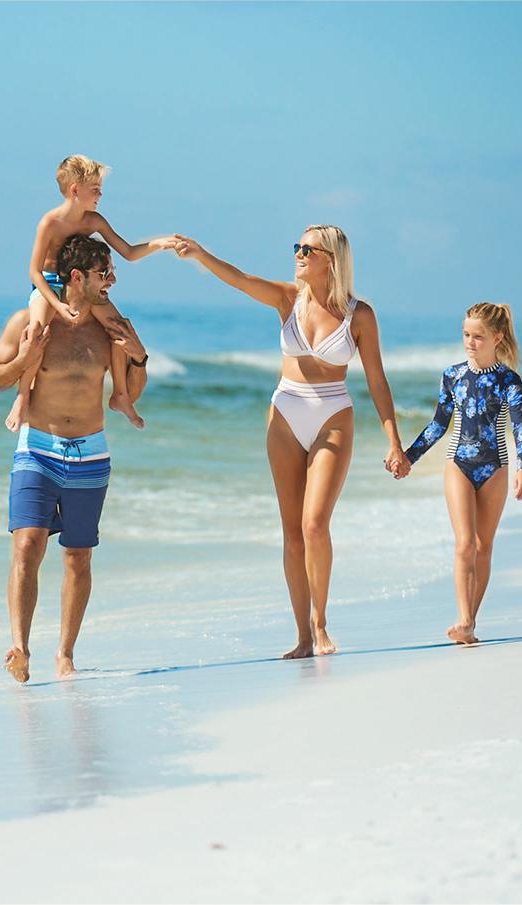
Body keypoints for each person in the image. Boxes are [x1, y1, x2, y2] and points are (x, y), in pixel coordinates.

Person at [173, 226, 406, 659]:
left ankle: (321, 621)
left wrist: (394, 442)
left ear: (330, 260)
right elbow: (239, 279)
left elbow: (377, 380)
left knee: (315, 524)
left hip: (333, 415)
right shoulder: (286, 298)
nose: (297, 253)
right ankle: (302, 634)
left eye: (307, 249)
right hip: (284, 413)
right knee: (292, 532)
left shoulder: (360, 316)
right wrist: (202, 254)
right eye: (296, 246)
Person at [0, 234, 149, 682]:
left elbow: (129, 392)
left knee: (78, 556)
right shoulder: (29, 322)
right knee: (27, 545)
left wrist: (137, 357)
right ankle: (19, 646)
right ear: (77, 277)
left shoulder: (111, 327)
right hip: (38, 448)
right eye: (103, 274)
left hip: (91, 455)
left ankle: (65, 653)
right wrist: (24, 361)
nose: (111, 281)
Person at [4, 154, 173, 434]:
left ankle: (120, 394)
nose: (100, 194)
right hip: (48, 283)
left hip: (82, 285)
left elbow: (129, 252)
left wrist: (158, 244)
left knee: (117, 328)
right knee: (35, 331)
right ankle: (22, 397)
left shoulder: (95, 221)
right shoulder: (50, 222)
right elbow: (33, 272)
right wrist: (57, 307)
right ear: (75, 190)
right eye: (95, 189)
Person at [396, 302, 522, 645]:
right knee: (465, 544)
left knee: (484, 547)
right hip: (458, 463)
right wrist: (409, 457)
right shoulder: (453, 376)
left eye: (478, 336)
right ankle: (463, 619)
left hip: (496, 467)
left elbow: (520, 427)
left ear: (497, 337)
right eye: (466, 335)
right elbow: (438, 425)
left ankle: (470, 623)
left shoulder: (508, 379)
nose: (470, 342)